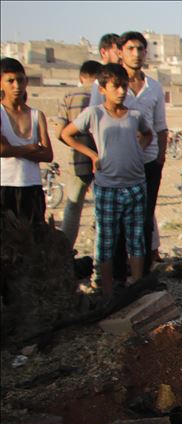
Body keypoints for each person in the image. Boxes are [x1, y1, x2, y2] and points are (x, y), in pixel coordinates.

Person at [61, 63, 151, 299]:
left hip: (135, 185)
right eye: (116, 87)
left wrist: (138, 150)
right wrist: (92, 155)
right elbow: (67, 134)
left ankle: (137, 286)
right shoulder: (95, 114)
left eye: (124, 86)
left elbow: (148, 133)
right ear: (102, 89)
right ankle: (107, 291)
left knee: (136, 239)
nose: (121, 92)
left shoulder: (135, 115)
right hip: (108, 186)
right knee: (106, 241)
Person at [90, 31, 168, 276]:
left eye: (140, 49)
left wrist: (160, 158)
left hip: (148, 162)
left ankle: (141, 276)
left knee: (143, 221)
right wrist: (96, 156)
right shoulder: (106, 85)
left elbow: (160, 127)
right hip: (116, 165)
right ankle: (116, 277)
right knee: (114, 225)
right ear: (120, 52)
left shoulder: (154, 87)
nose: (136, 54)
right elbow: (93, 121)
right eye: (130, 49)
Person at [0, 57, 52, 226]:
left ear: (26, 81)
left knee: (34, 237)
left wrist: (13, 149)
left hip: (32, 186)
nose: (17, 86)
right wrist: (31, 147)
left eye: (20, 80)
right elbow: (2, 150)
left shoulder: (37, 115)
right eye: (10, 81)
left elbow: (48, 154)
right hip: (5, 184)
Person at [57, 60, 101, 248]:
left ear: (81, 77)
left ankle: (65, 251)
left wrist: (78, 146)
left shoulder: (69, 95)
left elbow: (59, 133)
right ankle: (103, 255)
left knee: (74, 206)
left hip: (78, 160)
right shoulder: (105, 93)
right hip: (103, 160)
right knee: (103, 210)